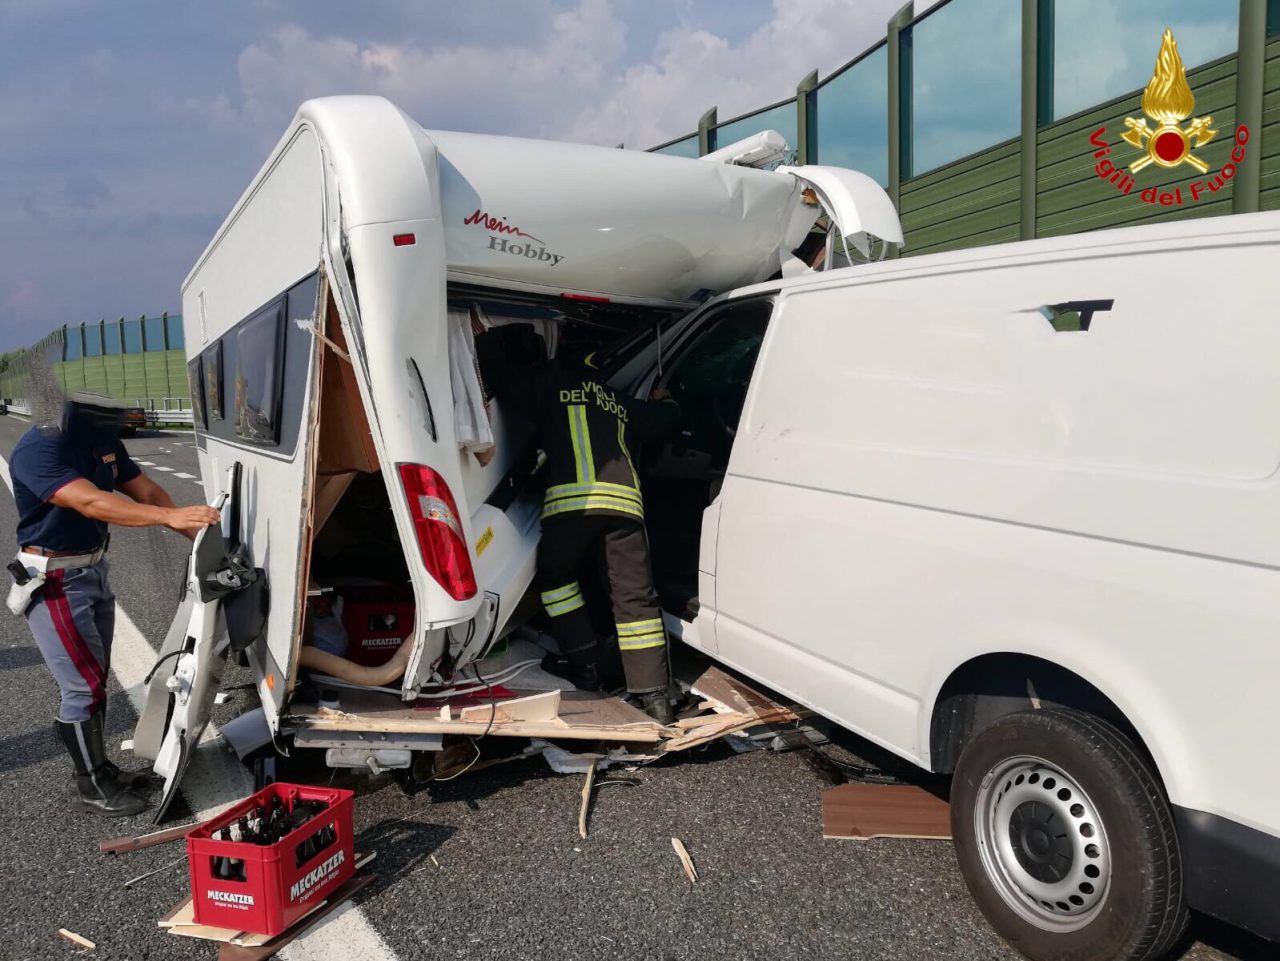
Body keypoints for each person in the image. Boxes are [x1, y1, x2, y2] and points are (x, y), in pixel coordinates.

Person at [7, 391, 220, 816]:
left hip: (91, 571)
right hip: (54, 579)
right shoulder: (39, 448)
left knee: (94, 677)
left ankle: (100, 768)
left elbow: (147, 491)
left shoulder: (101, 441)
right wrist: (169, 519)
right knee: (81, 686)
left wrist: (201, 542)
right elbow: (90, 501)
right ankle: (89, 785)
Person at [480, 325, 681, 724]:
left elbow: (497, 376)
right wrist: (667, 399)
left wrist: (485, 335)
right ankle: (656, 697)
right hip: (625, 508)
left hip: (571, 508)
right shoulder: (618, 402)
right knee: (634, 598)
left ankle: (585, 663)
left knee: (556, 582)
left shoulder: (547, 387)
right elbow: (667, 420)